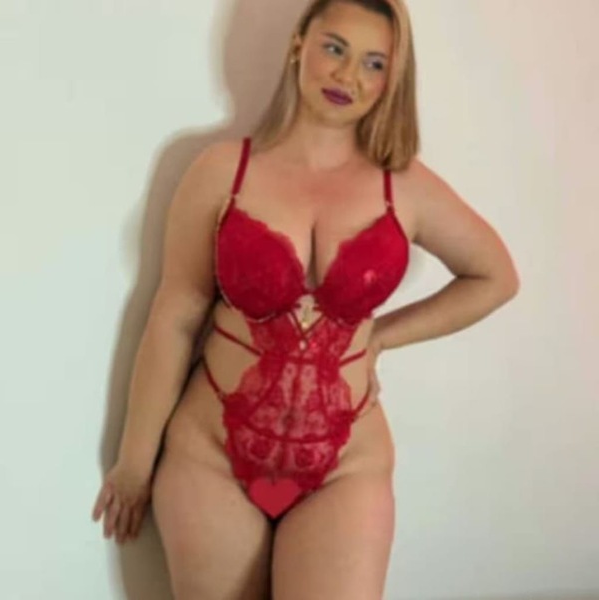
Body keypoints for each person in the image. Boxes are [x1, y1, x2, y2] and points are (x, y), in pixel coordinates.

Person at [91, 0, 520, 598]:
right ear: (299, 44)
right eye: (335, 48)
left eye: (373, 63)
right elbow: (176, 316)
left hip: (345, 468)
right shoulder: (222, 171)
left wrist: (381, 339)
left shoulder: (405, 187)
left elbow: (495, 277)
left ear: (392, 77)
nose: (348, 76)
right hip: (211, 457)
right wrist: (133, 464)